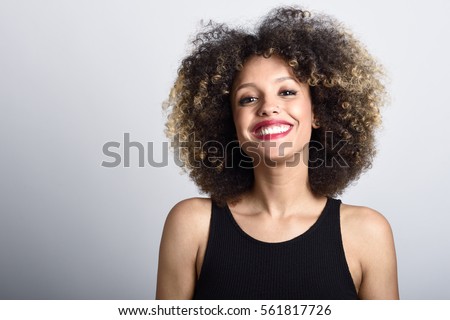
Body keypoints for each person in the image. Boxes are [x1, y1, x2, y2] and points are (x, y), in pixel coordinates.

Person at [156, 6, 399, 299]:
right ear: (229, 123)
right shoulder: (192, 225)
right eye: (248, 98)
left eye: (287, 92)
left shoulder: (368, 234)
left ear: (317, 112)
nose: (268, 107)